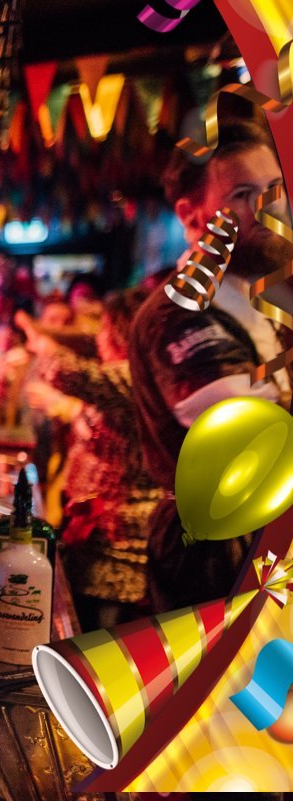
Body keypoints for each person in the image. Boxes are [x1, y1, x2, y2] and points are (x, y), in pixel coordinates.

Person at [129, 118, 293, 612]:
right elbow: (251, 438)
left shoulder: (257, 300)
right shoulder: (180, 313)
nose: (268, 207)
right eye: (243, 194)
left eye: (274, 187)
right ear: (191, 214)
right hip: (217, 566)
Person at [25, 290, 160, 630]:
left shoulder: (139, 375)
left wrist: (43, 343)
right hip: (99, 538)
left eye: (103, 329)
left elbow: (74, 375)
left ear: (119, 332)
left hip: (120, 551)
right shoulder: (127, 374)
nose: (97, 338)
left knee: (102, 646)